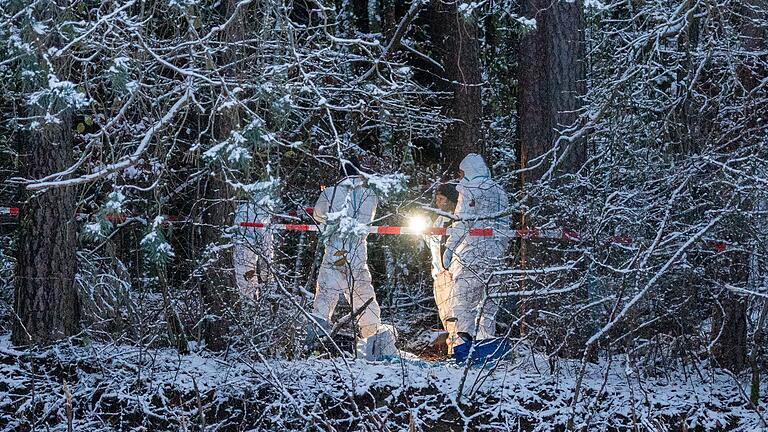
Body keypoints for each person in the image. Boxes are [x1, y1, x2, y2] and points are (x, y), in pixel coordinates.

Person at [309, 158, 392, 356]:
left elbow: (318, 214)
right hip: (357, 254)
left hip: (335, 251)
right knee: (363, 294)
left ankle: (313, 343)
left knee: (325, 296)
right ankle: (374, 344)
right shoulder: (370, 195)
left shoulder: (330, 192)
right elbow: (369, 217)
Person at [443, 154, 509, 351]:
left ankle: (464, 348)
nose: (461, 177)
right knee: (488, 304)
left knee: (463, 300)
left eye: (462, 172)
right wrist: (500, 249)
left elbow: (462, 223)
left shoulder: (470, 190)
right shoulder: (499, 191)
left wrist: (450, 248)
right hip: (496, 256)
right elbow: (506, 226)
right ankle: (486, 349)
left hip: (471, 254)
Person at [425, 183, 459, 348]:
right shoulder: (438, 219)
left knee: (455, 312)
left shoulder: (456, 220)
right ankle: (452, 346)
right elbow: (432, 244)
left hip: (451, 273)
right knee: (444, 312)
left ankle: (457, 348)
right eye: (437, 199)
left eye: (442, 199)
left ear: (451, 201)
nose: (438, 202)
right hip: (438, 272)